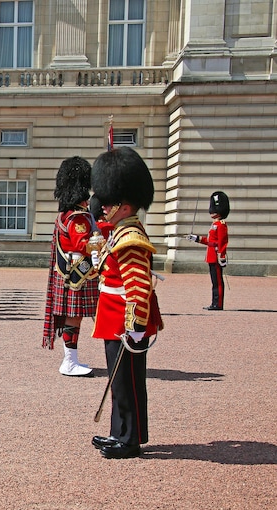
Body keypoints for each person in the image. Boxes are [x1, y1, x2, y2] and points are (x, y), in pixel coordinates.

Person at [90, 146, 163, 459]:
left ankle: (129, 439)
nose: (104, 207)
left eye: (109, 201)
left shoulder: (131, 237)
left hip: (124, 319)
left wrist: (135, 325)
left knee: (127, 381)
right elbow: (108, 273)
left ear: (124, 204)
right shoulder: (119, 232)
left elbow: (138, 286)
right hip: (112, 316)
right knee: (119, 381)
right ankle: (120, 432)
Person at [42, 157, 99, 377]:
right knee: (73, 317)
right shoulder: (78, 217)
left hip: (71, 271)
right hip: (79, 273)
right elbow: (82, 244)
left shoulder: (66, 214)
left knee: (72, 317)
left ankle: (71, 360)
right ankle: (70, 361)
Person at [186, 191, 230, 310]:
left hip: (216, 256)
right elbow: (209, 241)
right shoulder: (214, 224)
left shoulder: (221, 225)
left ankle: (218, 303)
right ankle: (214, 302)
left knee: (218, 281)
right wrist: (196, 238)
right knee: (214, 281)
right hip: (211, 256)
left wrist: (222, 256)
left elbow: (222, 242)